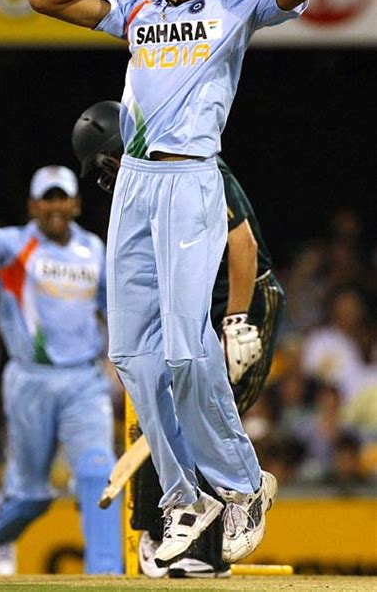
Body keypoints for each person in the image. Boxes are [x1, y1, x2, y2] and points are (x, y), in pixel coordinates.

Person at [29, 0, 315, 567]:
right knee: (130, 355)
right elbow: (45, 0)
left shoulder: (235, 5)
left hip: (190, 177)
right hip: (133, 179)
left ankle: (245, 485)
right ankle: (186, 495)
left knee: (188, 351)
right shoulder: (135, 13)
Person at [72, 100, 286, 578]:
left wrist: (236, 321)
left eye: (104, 162)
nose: (105, 177)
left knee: (198, 411)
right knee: (176, 411)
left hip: (245, 299)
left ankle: (214, 536)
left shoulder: (191, 165)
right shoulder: (140, 183)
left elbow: (244, 246)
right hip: (195, 305)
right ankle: (195, 530)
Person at [0, 131, 122, 575]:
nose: (56, 206)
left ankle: (106, 578)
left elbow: (112, 308)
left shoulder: (94, 250)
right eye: (48, 199)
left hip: (83, 380)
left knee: (100, 473)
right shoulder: (13, 247)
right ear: (33, 206)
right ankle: (0, 534)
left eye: (64, 198)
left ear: (77, 204)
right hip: (31, 381)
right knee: (32, 495)